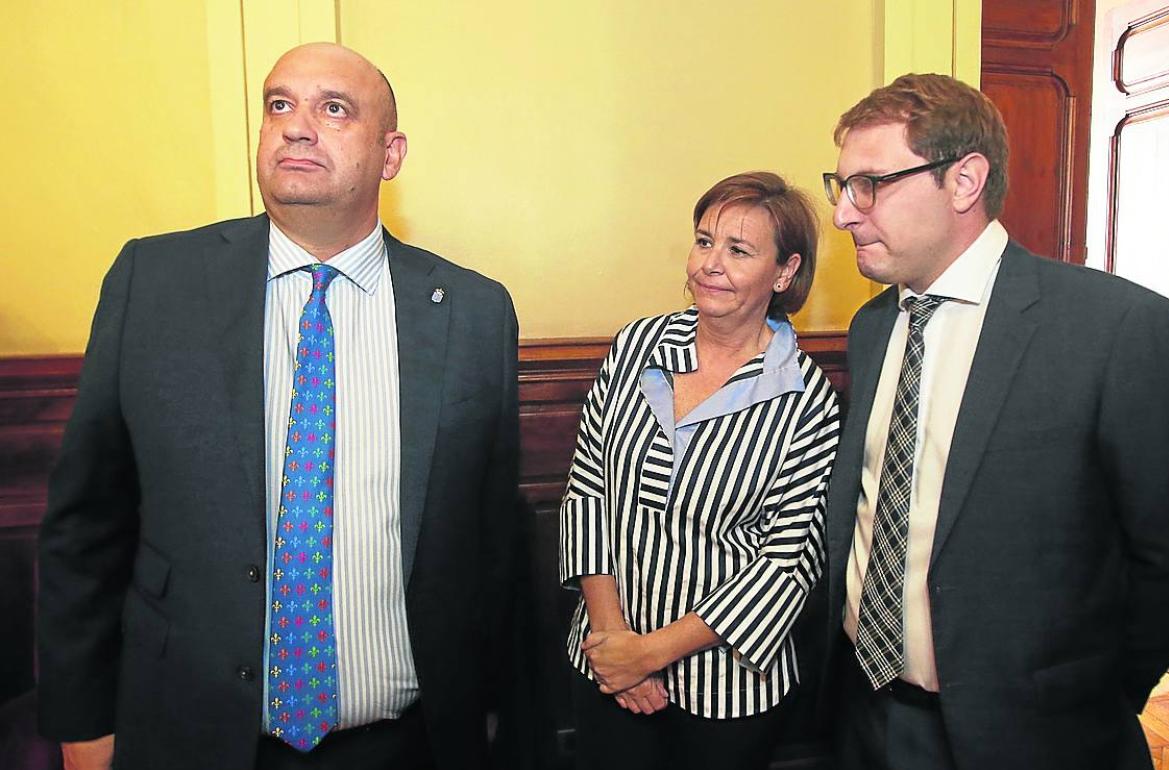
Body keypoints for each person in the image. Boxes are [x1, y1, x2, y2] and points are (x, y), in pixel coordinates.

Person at [37, 43, 520, 770]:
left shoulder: (475, 313)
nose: (297, 126)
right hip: (190, 737)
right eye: (278, 104)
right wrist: (82, 724)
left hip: (406, 745)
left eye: (333, 108)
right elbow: (85, 526)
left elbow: (492, 543)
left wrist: (502, 718)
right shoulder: (155, 282)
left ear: (391, 155)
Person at [819, 73, 1169, 770]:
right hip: (866, 720)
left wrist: (1091, 692)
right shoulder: (873, 328)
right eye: (842, 185)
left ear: (964, 181)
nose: (844, 213)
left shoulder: (1118, 329)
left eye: (871, 184)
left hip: (1039, 740)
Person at [558, 171, 841, 770]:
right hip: (606, 663)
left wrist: (650, 654)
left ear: (785, 273)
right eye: (705, 240)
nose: (711, 263)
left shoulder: (805, 398)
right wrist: (615, 645)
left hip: (728, 692)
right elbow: (587, 490)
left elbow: (788, 565)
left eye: (739, 251)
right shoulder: (638, 344)